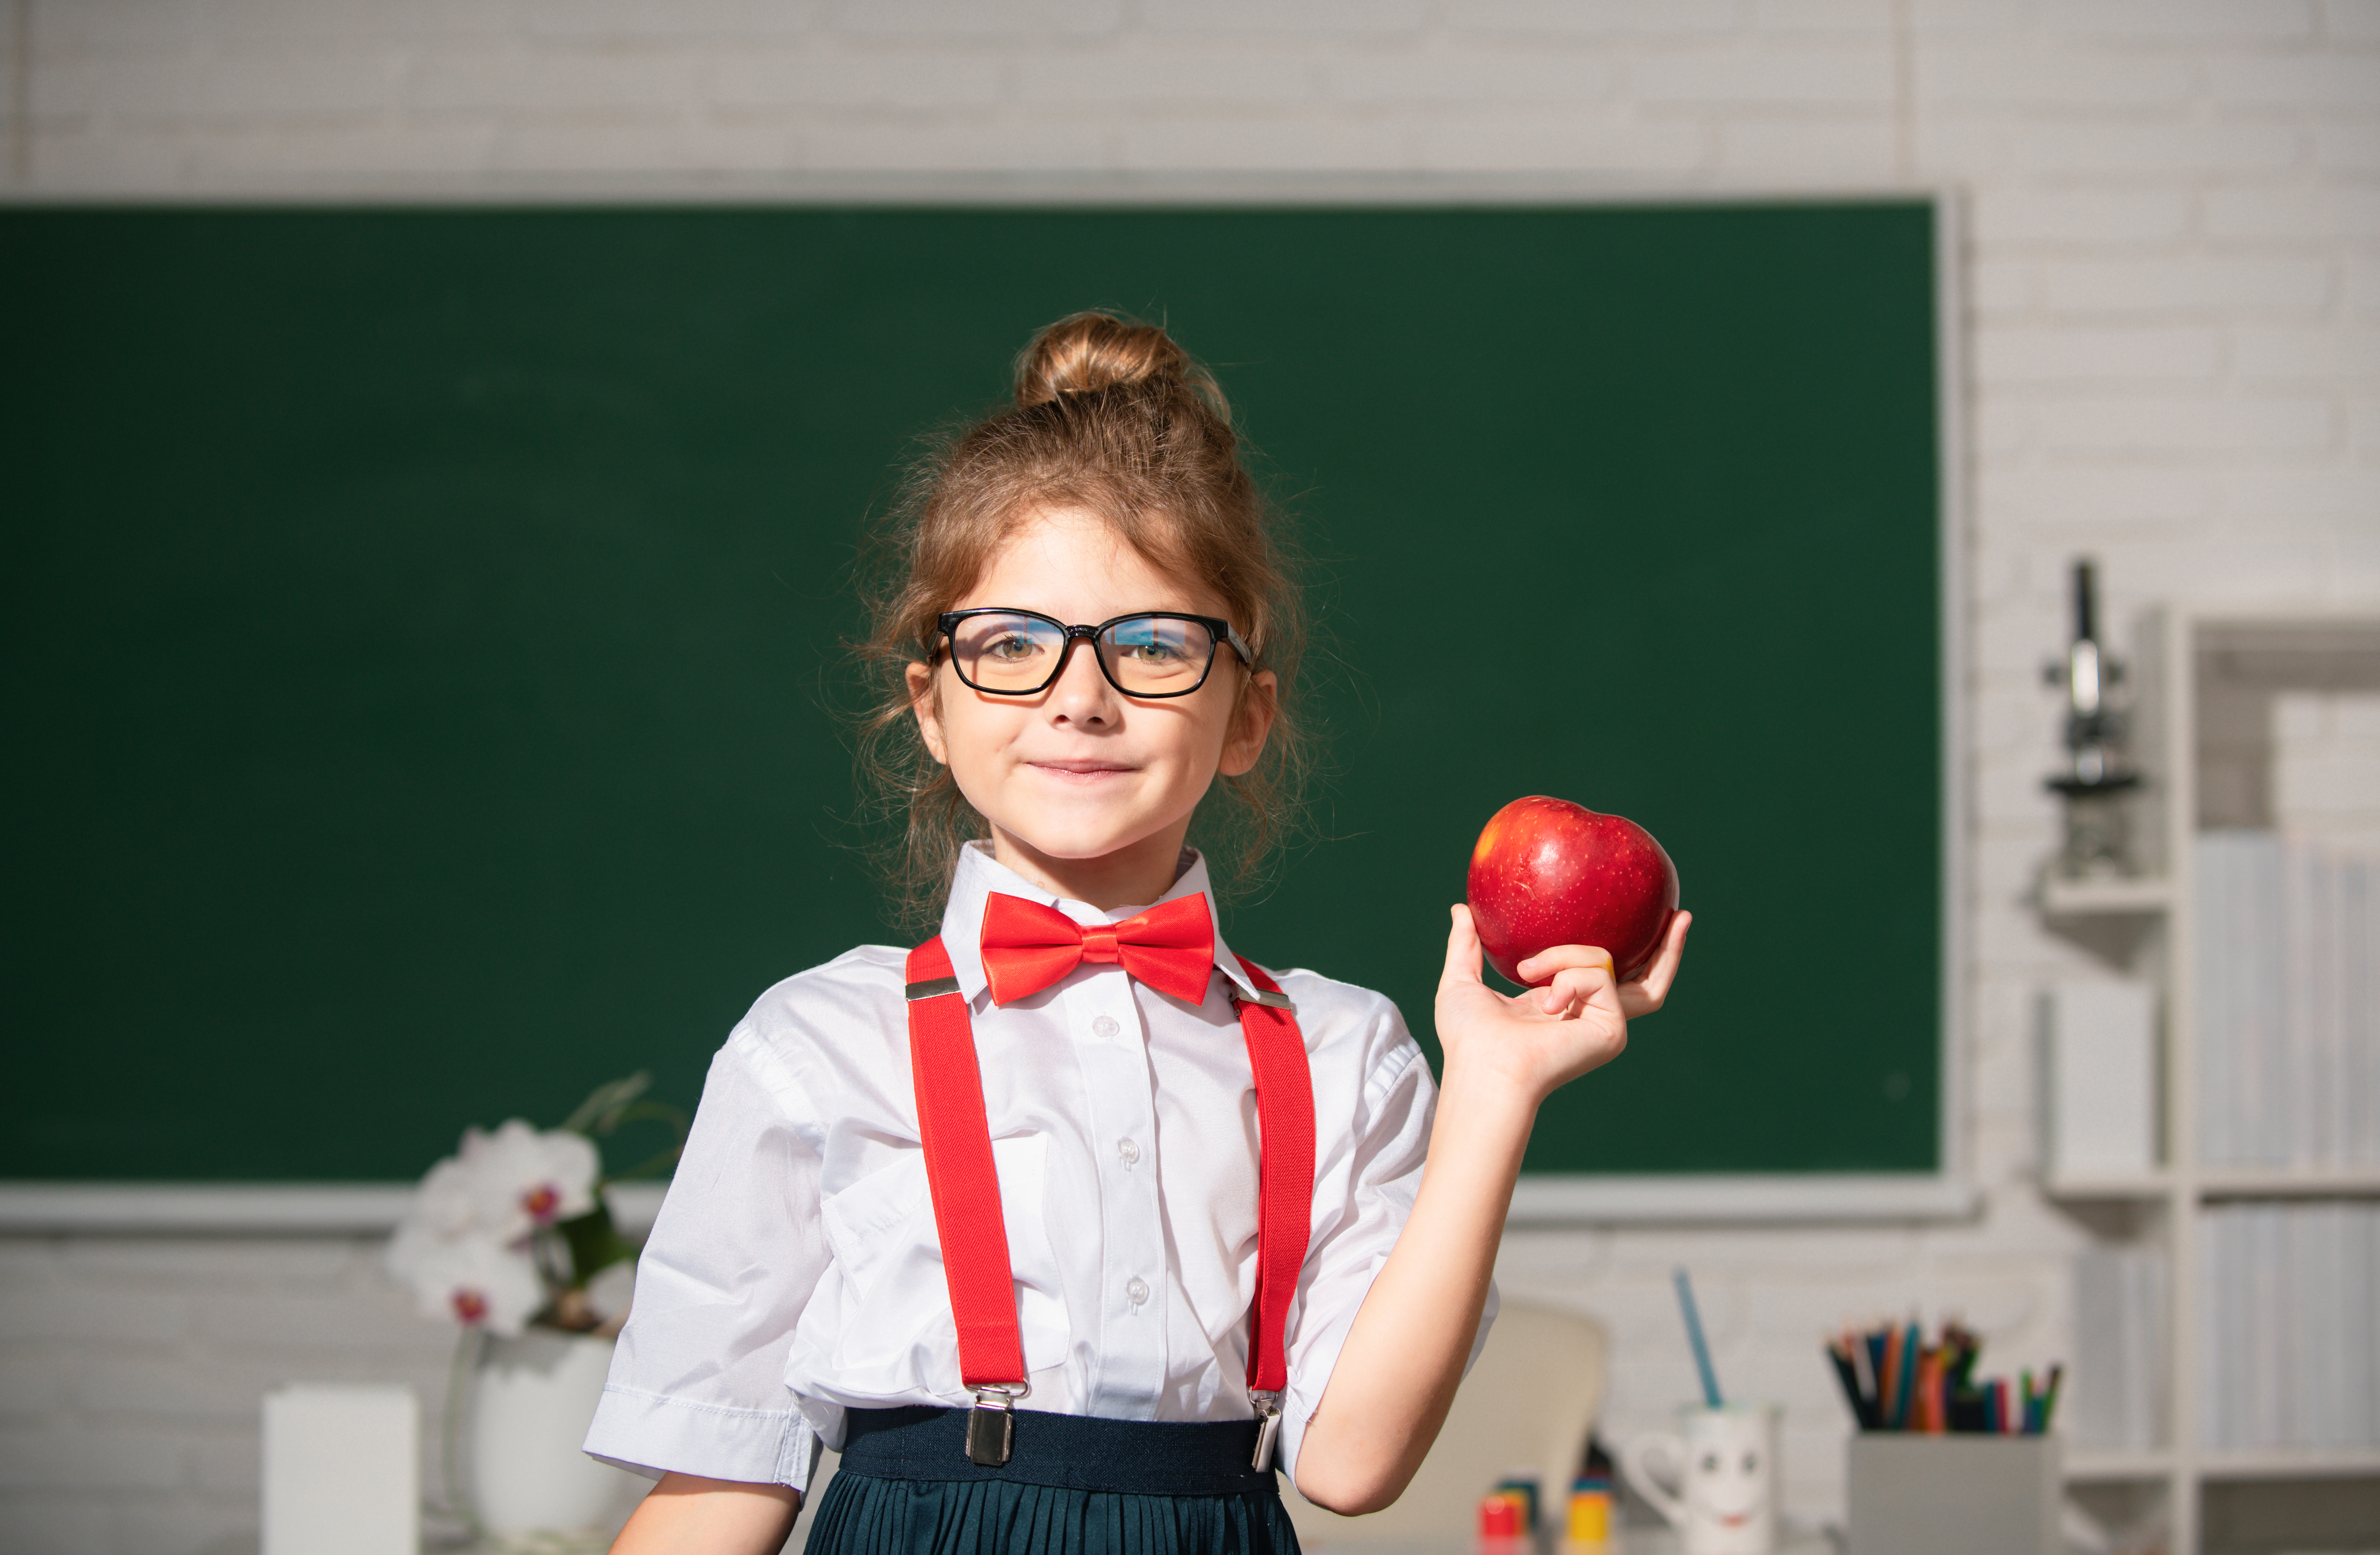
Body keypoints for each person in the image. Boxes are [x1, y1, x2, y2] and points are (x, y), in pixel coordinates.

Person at [589, 312, 1691, 1554]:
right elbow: (721, 1487)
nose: (1078, 696)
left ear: (1245, 718)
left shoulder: (1346, 1057)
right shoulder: (814, 1046)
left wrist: (1492, 1090)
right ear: (932, 707)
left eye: (1153, 645)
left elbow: (1350, 1463)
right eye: (1008, 643)